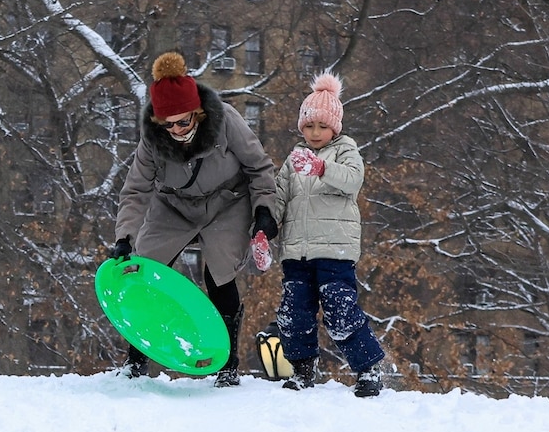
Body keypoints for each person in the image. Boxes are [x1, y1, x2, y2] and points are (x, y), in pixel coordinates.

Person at [112, 51, 277, 387]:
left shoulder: (227, 120)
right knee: (145, 268)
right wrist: (125, 237)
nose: (177, 129)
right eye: (168, 124)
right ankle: (135, 360)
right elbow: (136, 190)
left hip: (226, 202)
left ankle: (227, 363)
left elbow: (259, 168)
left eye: (183, 122)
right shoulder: (153, 140)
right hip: (174, 205)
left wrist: (264, 211)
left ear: (198, 114)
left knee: (218, 270)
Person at [270, 73, 386, 397]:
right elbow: (278, 197)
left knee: (340, 308)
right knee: (294, 311)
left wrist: (322, 169)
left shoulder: (344, 150)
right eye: (309, 126)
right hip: (296, 251)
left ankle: (367, 369)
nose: (315, 133)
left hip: (335, 251)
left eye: (322, 126)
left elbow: (353, 180)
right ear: (301, 128)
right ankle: (303, 368)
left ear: (334, 127)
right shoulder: (293, 160)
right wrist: (265, 228)